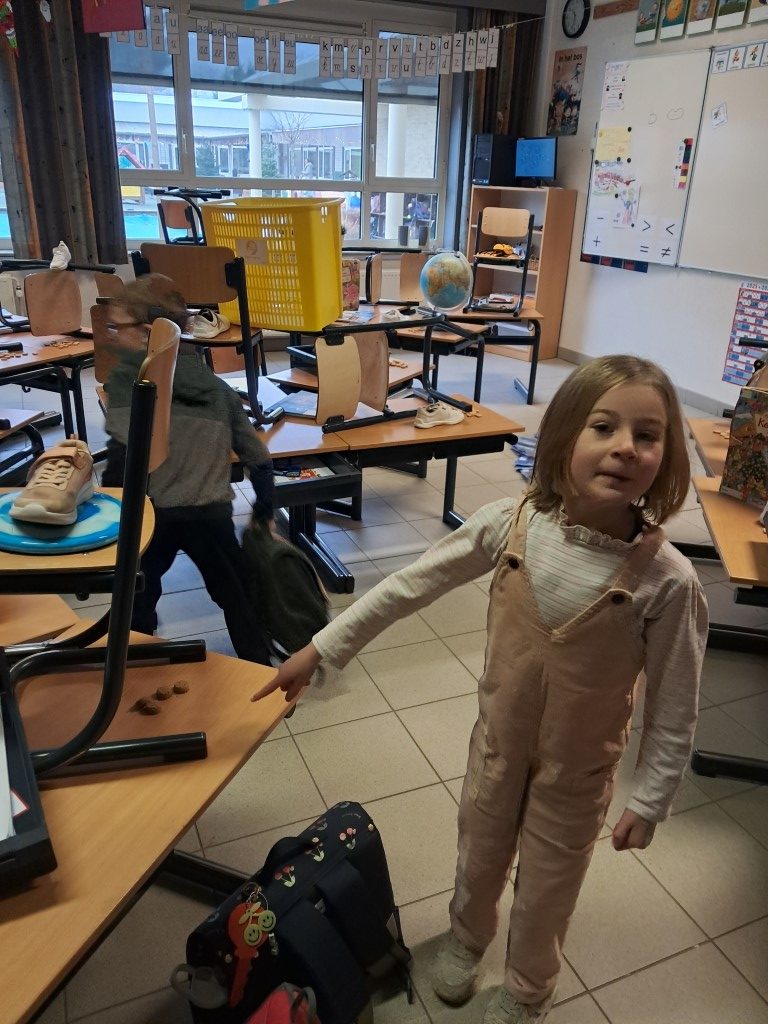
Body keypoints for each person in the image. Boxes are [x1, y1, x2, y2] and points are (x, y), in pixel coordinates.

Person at [253, 355, 709, 1023]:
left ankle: (528, 988)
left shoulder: (668, 581)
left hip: (578, 774)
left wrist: (652, 798)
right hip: (495, 747)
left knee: (548, 889)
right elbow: (408, 586)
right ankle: (467, 940)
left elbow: (675, 705)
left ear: (665, 458)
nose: (625, 448)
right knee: (479, 856)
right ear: (563, 437)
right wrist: (323, 647)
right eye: (603, 426)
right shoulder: (511, 523)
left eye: (647, 435)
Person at [102, 274, 275, 666]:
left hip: (152, 518)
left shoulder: (126, 382)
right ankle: (260, 671)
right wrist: (264, 508)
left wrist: (113, 518)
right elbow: (258, 458)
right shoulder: (218, 390)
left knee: (136, 595)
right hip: (209, 515)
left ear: (148, 334)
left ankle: (136, 666)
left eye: (118, 327)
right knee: (238, 595)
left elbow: (120, 461)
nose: (113, 336)